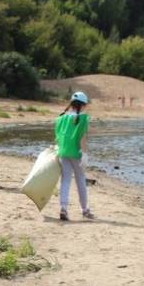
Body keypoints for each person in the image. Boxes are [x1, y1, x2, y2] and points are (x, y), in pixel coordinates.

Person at [55, 91, 94, 221]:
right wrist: (85, 154)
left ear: (71, 104)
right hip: (76, 154)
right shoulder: (84, 118)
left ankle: (64, 208)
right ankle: (85, 210)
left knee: (65, 180)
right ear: (82, 105)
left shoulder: (61, 118)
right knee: (80, 181)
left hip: (63, 153)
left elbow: (58, 138)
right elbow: (83, 138)